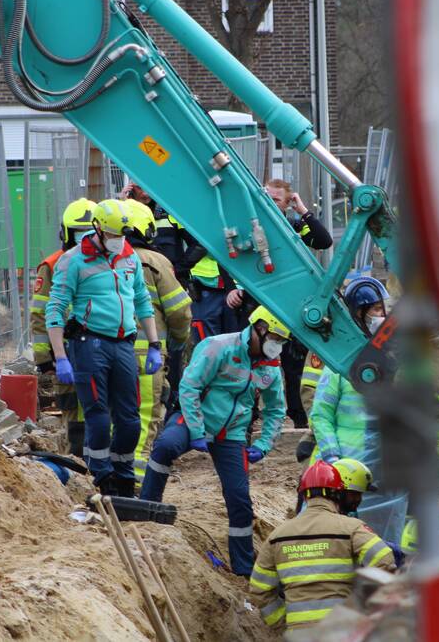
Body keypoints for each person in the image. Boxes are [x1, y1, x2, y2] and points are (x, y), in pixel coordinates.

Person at [140, 306, 288, 576]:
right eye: (274, 338)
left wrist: (264, 444)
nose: (276, 346)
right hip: (194, 419)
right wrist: (197, 431)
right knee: (165, 447)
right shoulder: (218, 347)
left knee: (240, 499)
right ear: (259, 329)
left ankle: (243, 568)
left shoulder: (271, 369)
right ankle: (147, 513)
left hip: (231, 433)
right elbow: (190, 386)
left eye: (281, 341)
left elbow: (276, 409)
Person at [45, 198, 163, 497]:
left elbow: (141, 300)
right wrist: (60, 356)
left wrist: (153, 344)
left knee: (130, 419)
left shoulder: (129, 256)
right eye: (112, 236)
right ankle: (100, 476)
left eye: (122, 236)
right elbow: (56, 308)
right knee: (97, 417)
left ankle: (123, 476)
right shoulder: (73, 260)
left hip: (123, 344)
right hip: (89, 343)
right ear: (97, 229)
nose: (117, 242)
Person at [307, 276, 408, 544]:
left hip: (388, 470)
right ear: (360, 314)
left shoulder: (400, 359)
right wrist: (332, 456)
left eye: (384, 309)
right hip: (344, 466)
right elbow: (321, 413)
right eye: (376, 310)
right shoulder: (343, 364)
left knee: (386, 541)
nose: (383, 316)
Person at [249, 460, 395, 631]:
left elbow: (259, 589)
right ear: (337, 493)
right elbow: (384, 560)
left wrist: (282, 623)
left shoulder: (276, 537)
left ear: (304, 495)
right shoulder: (351, 528)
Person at [121, 199, 193, 485]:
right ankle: (134, 482)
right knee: (144, 414)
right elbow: (179, 311)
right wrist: (178, 341)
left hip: (101, 352)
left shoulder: (92, 259)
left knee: (111, 412)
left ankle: (105, 477)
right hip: (145, 355)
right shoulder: (154, 261)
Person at [264, 179, 333, 429]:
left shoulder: (294, 226)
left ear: (286, 203)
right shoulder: (250, 221)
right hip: (257, 301)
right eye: (266, 197)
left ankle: (299, 417)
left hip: (289, 301)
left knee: (293, 364)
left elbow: (323, 241)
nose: (269, 203)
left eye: (276, 199)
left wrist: (302, 210)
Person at [30, 198, 96, 454]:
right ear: (66, 233)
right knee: (73, 409)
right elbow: (39, 314)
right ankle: (78, 461)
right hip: (65, 351)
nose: (84, 239)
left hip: (99, 348)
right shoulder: (53, 265)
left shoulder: (110, 261)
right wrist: (46, 359)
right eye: (79, 233)